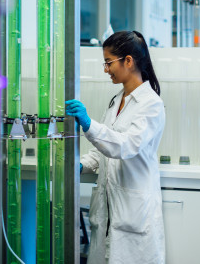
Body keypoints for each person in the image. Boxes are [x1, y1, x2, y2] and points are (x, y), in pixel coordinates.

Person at [66, 31, 165, 263]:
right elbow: (102, 152)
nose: (106, 69)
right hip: (109, 212)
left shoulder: (151, 104)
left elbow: (125, 146)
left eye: (109, 62)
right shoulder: (116, 102)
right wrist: (79, 165)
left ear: (128, 61)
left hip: (134, 214)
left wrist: (89, 125)